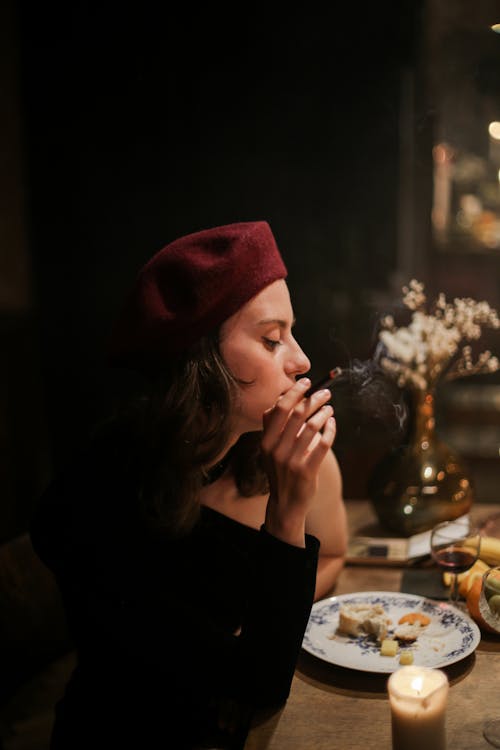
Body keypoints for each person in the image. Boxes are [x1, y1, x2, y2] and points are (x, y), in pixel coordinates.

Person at [30, 221, 348, 749]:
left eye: (291, 332)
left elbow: (250, 652)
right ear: (202, 364)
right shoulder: (104, 497)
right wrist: (288, 514)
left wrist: (245, 632)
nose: (302, 360)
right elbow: (259, 685)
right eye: (272, 339)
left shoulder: (245, 451)